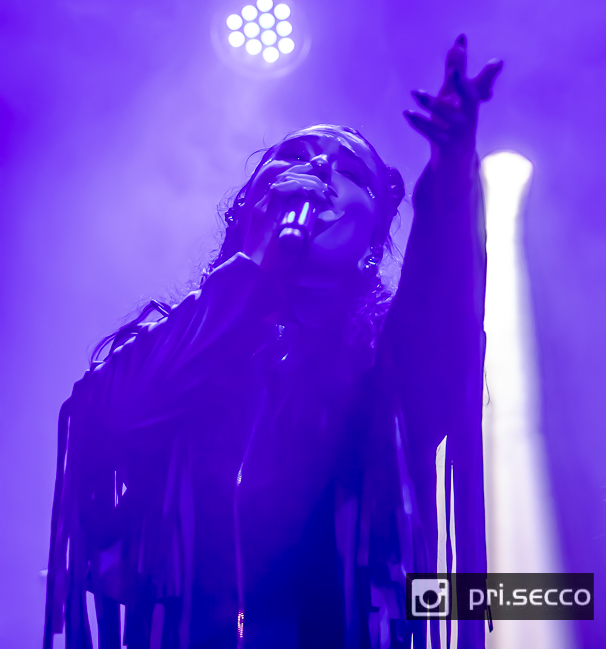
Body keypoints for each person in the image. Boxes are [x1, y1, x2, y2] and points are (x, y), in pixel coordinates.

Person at [44, 36, 501, 649]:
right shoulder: (180, 341)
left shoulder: (384, 366)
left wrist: (449, 184)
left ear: (373, 244)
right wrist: (252, 271)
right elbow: (107, 417)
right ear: (246, 208)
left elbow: (440, 331)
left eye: (350, 173)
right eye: (295, 158)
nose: (318, 172)